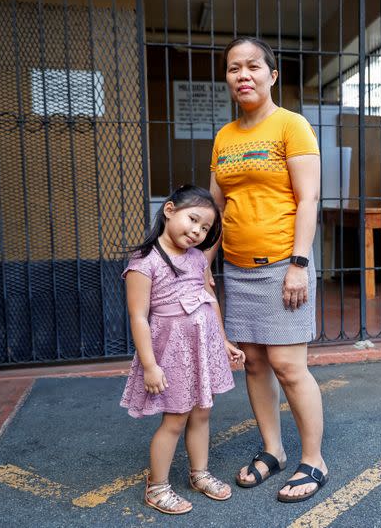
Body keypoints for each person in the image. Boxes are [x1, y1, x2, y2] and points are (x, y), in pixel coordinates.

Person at [207, 36, 328, 503]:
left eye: (253, 66)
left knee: (288, 365)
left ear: (272, 75)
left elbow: (308, 198)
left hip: (282, 264)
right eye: (234, 68)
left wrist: (298, 263)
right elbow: (218, 207)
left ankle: (314, 459)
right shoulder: (224, 137)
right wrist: (205, 265)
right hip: (237, 268)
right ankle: (274, 450)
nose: (243, 75)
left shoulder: (291, 126)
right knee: (254, 363)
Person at [120, 184, 246, 515]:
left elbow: (209, 300)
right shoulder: (144, 262)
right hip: (171, 352)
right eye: (193, 220)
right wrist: (150, 365)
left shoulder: (196, 259)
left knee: (202, 411)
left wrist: (224, 340)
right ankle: (157, 487)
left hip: (202, 348)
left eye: (205, 228)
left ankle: (199, 473)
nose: (197, 231)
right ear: (170, 210)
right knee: (175, 419)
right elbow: (138, 317)